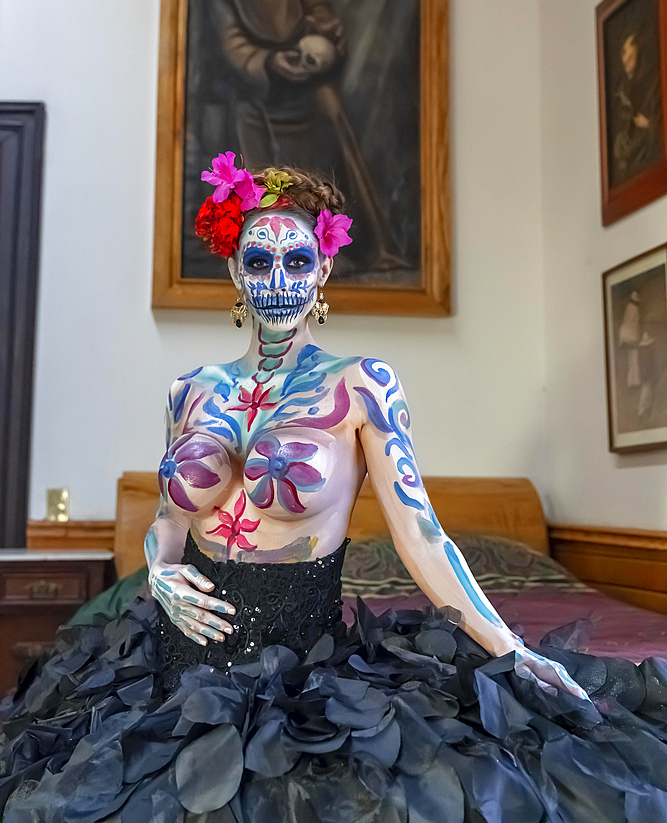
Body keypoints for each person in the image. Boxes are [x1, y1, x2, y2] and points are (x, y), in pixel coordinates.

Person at [2, 159, 667, 822]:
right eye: (258, 263)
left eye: (297, 261)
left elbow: (421, 534)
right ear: (235, 272)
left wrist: (510, 649)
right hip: (176, 663)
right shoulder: (189, 391)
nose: (278, 281)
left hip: (297, 671)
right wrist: (160, 571)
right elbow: (167, 524)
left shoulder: (361, 384)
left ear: (322, 269)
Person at [204, 0, 405, 272]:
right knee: (246, 122)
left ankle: (362, 243)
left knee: (331, 107)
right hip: (259, 86)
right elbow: (231, 41)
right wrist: (268, 62)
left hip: (305, 79)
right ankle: (267, 245)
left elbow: (320, 10)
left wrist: (316, 40)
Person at [610, 32, 663, 188]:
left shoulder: (654, 83)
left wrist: (649, 124)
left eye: (630, 56)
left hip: (649, 156)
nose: (625, 60)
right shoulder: (622, 88)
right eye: (623, 54)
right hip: (631, 160)